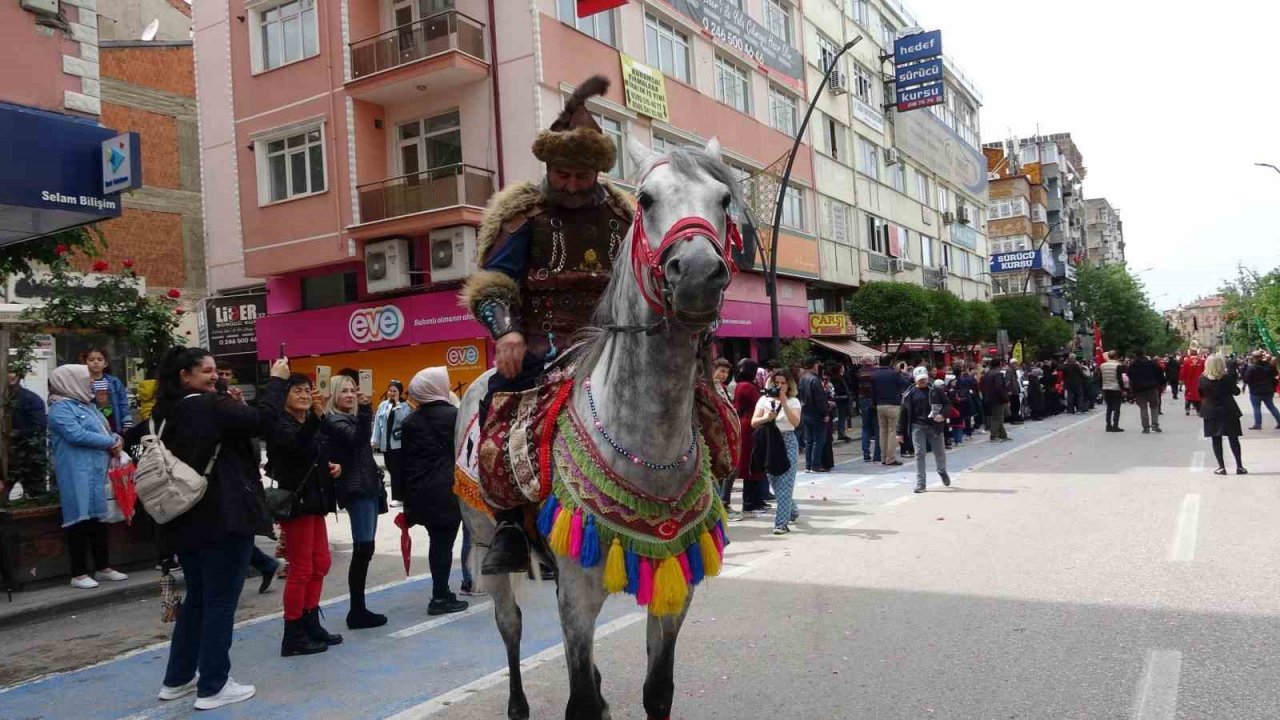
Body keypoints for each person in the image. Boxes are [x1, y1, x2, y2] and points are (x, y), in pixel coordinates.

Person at [458, 76, 642, 576]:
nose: (573, 185)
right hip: (542, 342)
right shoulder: (524, 214)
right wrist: (507, 332)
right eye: (563, 175)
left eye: (582, 176)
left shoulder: (624, 216)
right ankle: (511, 521)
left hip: (614, 340)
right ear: (548, 168)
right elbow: (492, 283)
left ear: (598, 171)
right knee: (502, 408)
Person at [148, 347, 274, 710]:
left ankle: (177, 678)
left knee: (199, 599)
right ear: (185, 375)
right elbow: (264, 421)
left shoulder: (164, 411)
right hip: (223, 516)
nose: (215, 375)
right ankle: (214, 684)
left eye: (215, 370)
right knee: (220, 601)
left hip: (184, 517)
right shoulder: (209, 406)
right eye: (206, 371)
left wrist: (230, 404)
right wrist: (277, 382)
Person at [262, 366, 342, 657]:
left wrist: (333, 466)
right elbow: (297, 447)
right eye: (297, 391)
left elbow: (325, 448)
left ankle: (311, 623)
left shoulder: (310, 421)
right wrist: (316, 418)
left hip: (316, 502)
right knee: (301, 568)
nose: (305, 395)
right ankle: (293, 634)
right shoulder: (280, 425)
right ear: (283, 396)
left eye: (308, 390)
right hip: (296, 505)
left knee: (321, 563)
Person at [48, 364, 126, 589]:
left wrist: (117, 438)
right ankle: (79, 573)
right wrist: (110, 442)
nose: (91, 383)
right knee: (79, 518)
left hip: (96, 469)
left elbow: (105, 429)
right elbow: (76, 434)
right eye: (86, 378)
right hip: (76, 470)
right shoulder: (60, 408)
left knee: (99, 517)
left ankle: (103, 567)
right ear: (70, 381)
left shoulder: (87, 405)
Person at [400, 367, 468, 615]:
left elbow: (403, 463)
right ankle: (439, 597)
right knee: (443, 544)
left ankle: (441, 591)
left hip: (421, 491)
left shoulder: (409, 421)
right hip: (447, 489)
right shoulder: (455, 416)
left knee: (437, 541)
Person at [324, 375, 389, 630]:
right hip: (356, 489)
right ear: (334, 395)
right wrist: (364, 409)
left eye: (353, 390)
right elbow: (358, 439)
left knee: (366, 549)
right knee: (362, 550)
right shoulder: (334, 420)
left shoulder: (347, 418)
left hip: (366, 486)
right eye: (344, 391)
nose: (350, 395)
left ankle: (358, 609)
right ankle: (357, 611)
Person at [751, 370, 801, 535]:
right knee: (775, 482)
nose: (779, 386)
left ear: (789, 385)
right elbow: (754, 422)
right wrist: (767, 417)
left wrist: (784, 403)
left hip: (787, 441)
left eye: (783, 383)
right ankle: (792, 510)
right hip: (769, 442)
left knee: (785, 483)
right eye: (776, 383)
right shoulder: (763, 400)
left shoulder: (793, 401)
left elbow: (796, 422)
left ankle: (781, 524)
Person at [897, 369, 952, 493]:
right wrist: (899, 432)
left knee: (939, 452)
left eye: (924, 378)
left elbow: (947, 404)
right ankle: (921, 483)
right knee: (919, 454)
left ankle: (941, 470)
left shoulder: (935, 390)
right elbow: (903, 413)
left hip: (934, 426)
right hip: (917, 427)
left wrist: (942, 415)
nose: (923, 381)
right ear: (915, 379)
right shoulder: (909, 394)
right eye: (920, 379)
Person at [1199, 354, 1246, 475]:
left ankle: (1221, 467)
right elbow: (1236, 392)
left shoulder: (1202, 379)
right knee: (1233, 438)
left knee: (1216, 439)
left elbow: (1201, 394)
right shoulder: (1227, 378)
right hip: (1229, 410)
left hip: (1211, 411)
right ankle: (1239, 466)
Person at [731, 359, 766, 519]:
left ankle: (756, 500)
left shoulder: (742, 385)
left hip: (749, 425)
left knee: (754, 464)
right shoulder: (748, 387)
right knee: (752, 465)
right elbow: (760, 404)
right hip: (751, 427)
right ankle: (750, 502)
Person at [9, 370, 49, 498]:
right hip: (6, 456)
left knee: (37, 496)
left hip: (29, 456)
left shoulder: (31, 399)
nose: (9, 375)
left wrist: (16, 434)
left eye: (12, 371)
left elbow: (39, 427)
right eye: (6, 371)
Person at [372, 380, 411, 506]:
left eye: (395, 391)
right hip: (386, 443)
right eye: (390, 390)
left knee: (397, 470)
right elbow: (377, 423)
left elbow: (402, 419)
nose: (392, 393)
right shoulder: (383, 405)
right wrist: (374, 440)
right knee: (391, 468)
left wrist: (398, 404)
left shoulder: (405, 405)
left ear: (400, 392)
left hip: (398, 444)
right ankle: (401, 496)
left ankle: (398, 497)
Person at [83, 347, 132, 434]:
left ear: (105, 364)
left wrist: (126, 421)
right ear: (85, 363)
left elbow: (123, 402)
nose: (96, 362)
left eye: (100, 359)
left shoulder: (114, 382)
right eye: (91, 360)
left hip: (112, 421)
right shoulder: (82, 382)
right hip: (92, 423)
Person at [871, 355, 909, 465]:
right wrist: (903, 373)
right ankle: (890, 458)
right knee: (892, 431)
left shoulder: (875, 374)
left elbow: (872, 392)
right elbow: (905, 384)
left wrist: (874, 404)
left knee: (882, 431)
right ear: (890, 362)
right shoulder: (894, 373)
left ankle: (883, 457)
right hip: (893, 404)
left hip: (880, 405)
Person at [797, 357, 829, 473]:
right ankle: (816, 464)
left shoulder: (802, 379)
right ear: (814, 366)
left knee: (809, 440)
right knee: (819, 439)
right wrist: (825, 413)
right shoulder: (815, 380)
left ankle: (808, 465)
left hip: (805, 412)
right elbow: (819, 399)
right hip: (816, 413)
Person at [1127, 349, 1164, 434]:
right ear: (1144, 354)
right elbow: (1160, 371)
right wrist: (1159, 383)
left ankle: (1146, 427)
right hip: (1152, 387)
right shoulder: (1151, 363)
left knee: (1143, 408)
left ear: (1135, 355)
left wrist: (1134, 386)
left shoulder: (1133, 365)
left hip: (1139, 389)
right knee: (1154, 406)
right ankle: (1155, 424)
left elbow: (1129, 375)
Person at [1243, 351, 1280, 430]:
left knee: (1256, 408)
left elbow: (1246, 379)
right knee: (1271, 406)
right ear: (1261, 357)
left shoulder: (1252, 368)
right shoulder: (1269, 366)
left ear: (1253, 357)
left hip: (1255, 391)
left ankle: (1258, 424)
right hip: (1268, 390)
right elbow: (1275, 375)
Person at [856, 356, 880, 462]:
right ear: (869, 361)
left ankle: (866, 453)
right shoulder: (876, 372)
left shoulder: (859, 372)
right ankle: (877, 454)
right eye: (873, 360)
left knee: (865, 427)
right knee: (877, 427)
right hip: (874, 400)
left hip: (863, 399)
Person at [980, 357, 1011, 442]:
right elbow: (999, 387)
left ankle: (1003, 435)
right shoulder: (998, 374)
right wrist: (1005, 398)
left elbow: (981, 386)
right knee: (997, 418)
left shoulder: (987, 374)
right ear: (999, 364)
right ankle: (994, 436)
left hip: (988, 398)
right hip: (997, 399)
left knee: (997, 417)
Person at [1098, 351, 1125, 432]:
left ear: (1109, 356)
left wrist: (1101, 387)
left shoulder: (1102, 366)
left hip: (1106, 388)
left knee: (1109, 407)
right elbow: (1120, 379)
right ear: (1116, 356)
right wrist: (1122, 389)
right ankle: (1115, 426)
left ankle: (1108, 425)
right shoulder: (1118, 365)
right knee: (1117, 408)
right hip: (1116, 388)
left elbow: (1100, 378)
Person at [830, 363, 852, 442]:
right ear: (840, 369)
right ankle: (841, 433)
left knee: (842, 416)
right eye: (842, 367)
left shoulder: (839, 377)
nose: (844, 368)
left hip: (842, 399)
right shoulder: (838, 378)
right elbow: (840, 388)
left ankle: (842, 432)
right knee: (841, 416)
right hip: (841, 399)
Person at [1180, 350, 1206, 416]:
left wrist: (1181, 379)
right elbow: (1204, 371)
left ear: (1190, 354)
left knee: (1188, 395)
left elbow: (1183, 371)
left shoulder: (1187, 361)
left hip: (1189, 381)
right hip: (1199, 381)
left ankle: (1187, 409)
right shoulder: (1201, 361)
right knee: (1198, 395)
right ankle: (1198, 410)